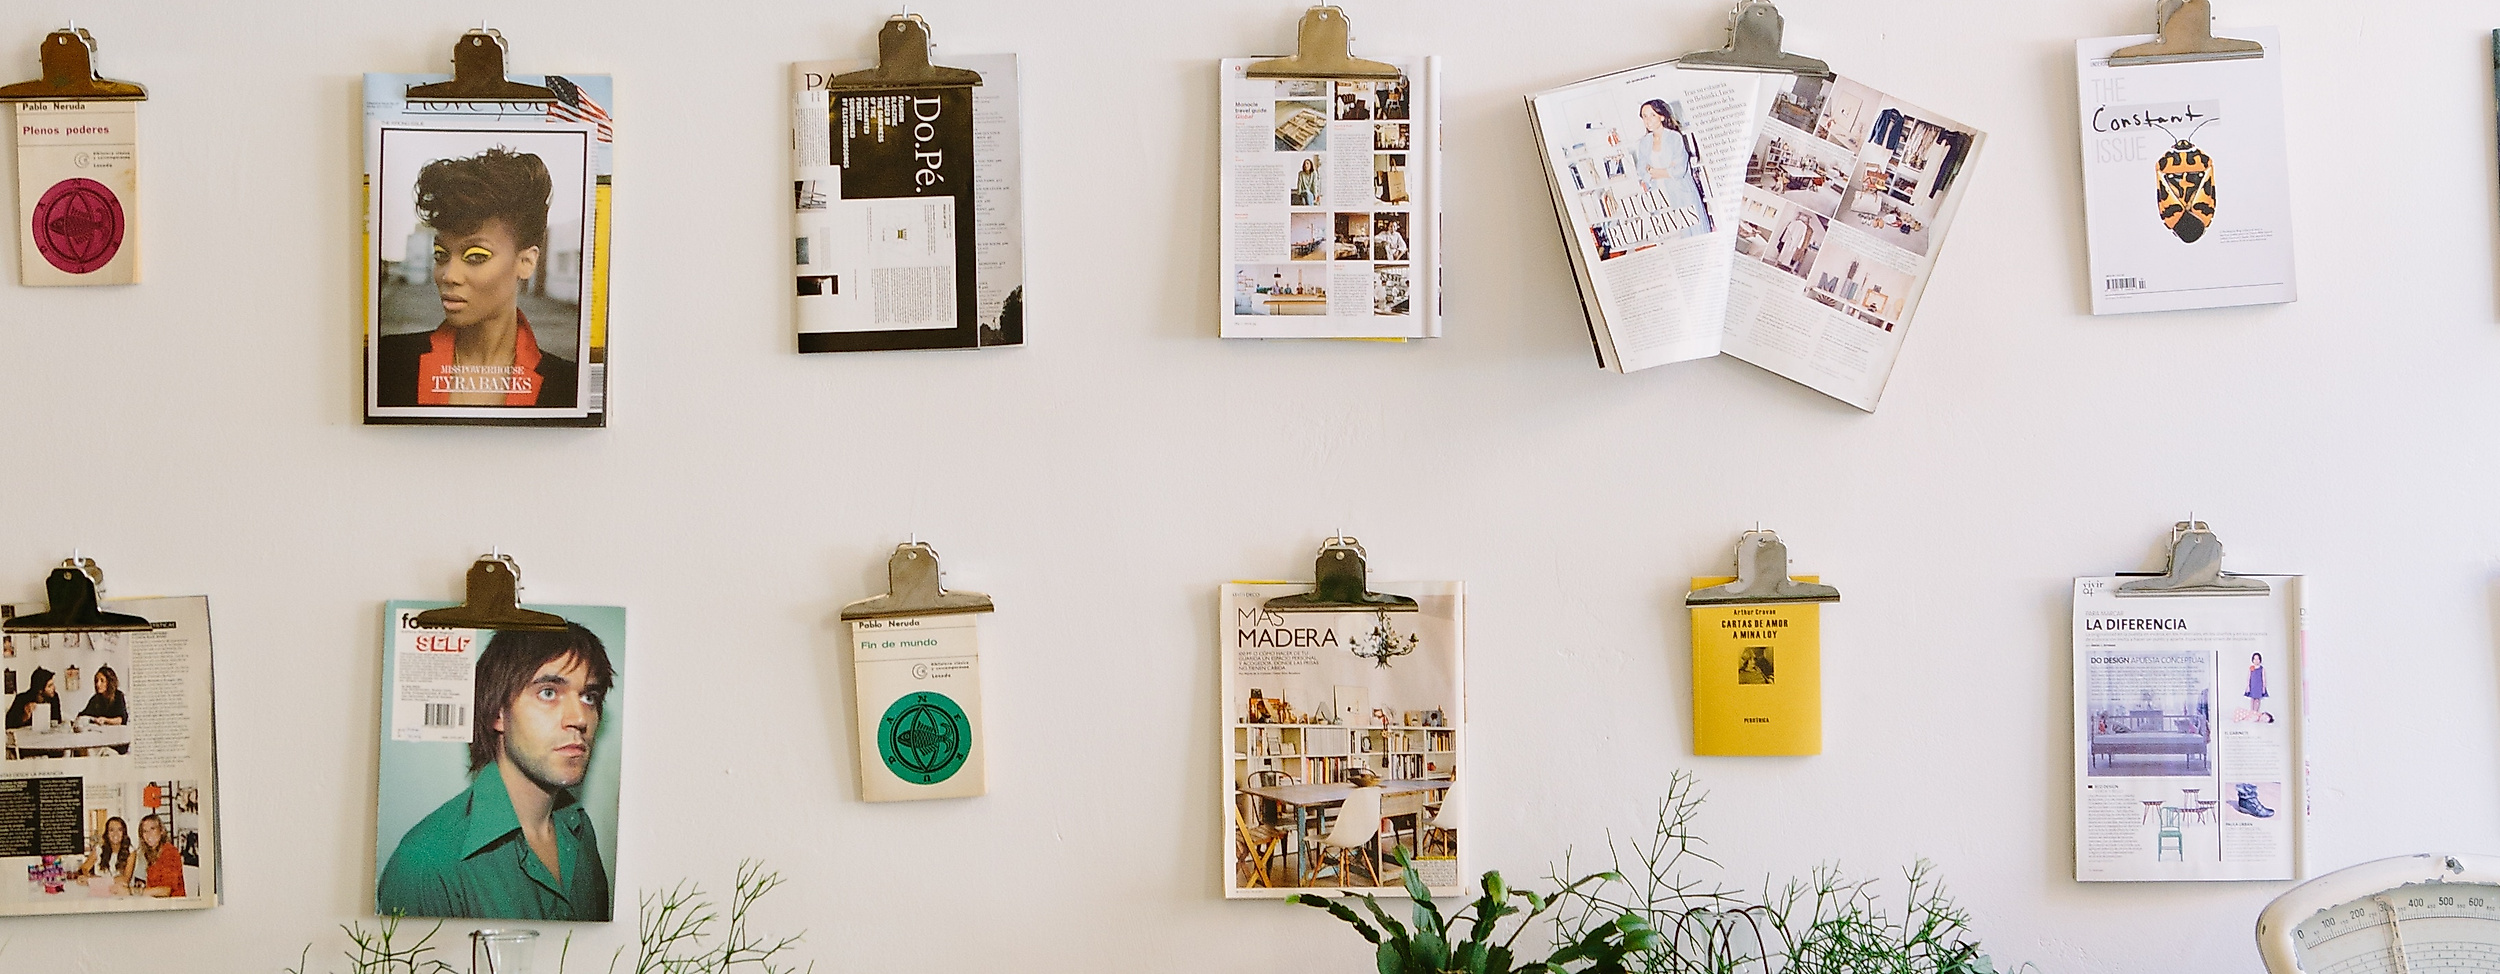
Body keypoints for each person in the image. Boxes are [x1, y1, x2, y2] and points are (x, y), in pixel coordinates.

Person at [378, 623, 614, 920]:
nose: (580, 718)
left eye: (589, 697)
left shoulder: (577, 828)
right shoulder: (425, 864)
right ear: (497, 714)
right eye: (549, 692)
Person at [377, 147, 577, 409]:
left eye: (476, 256)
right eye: (441, 254)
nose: (449, 275)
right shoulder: (389, 362)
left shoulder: (567, 385)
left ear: (526, 262)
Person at [1628, 99, 1707, 225]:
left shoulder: (1675, 137)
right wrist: (1665, 170)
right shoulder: (1644, 142)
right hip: (1660, 196)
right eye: (1644, 116)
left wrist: (1653, 171)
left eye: (1652, 115)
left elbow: (1679, 171)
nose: (1648, 120)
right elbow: (1642, 170)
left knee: (1691, 230)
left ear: (1662, 117)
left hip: (1682, 192)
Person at [135, 813, 184, 897]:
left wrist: (136, 892)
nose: (148, 834)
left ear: (161, 831)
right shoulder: (151, 853)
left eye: (152, 829)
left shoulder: (170, 852)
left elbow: (166, 891)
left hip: (173, 904)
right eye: (145, 831)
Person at [79, 815, 133, 891]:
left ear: (124, 833)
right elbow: (84, 868)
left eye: (119, 830)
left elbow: (125, 880)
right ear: (107, 833)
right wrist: (89, 877)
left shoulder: (130, 851)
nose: (115, 834)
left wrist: (94, 880)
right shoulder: (99, 849)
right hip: (99, 891)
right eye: (111, 830)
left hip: (120, 893)